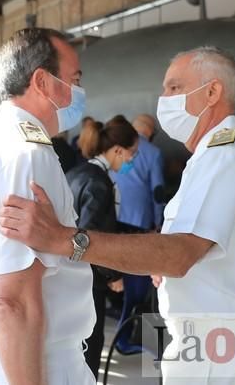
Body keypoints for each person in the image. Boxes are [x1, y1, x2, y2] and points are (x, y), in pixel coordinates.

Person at [0, 46, 235, 384]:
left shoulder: (225, 156)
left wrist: (64, 239)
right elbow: (188, 253)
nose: (164, 98)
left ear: (212, 92)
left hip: (217, 351)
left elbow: (180, 254)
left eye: (174, 88)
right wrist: (168, 265)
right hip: (211, 342)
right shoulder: (214, 156)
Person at [0, 28, 96, 385]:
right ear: (42, 82)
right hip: (36, 363)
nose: (79, 92)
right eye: (74, 80)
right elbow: (13, 302)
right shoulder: (29, 155)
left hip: (3, 359)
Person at [65, 116, 138, 378]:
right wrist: (113, 275)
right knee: (90, 348)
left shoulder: (79, 172)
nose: (131, 160)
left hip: (68, 274)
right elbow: (92, 236)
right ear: (118, 150)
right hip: (89, 278)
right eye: (132, 153)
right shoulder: (99, 182)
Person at [112, 113, 166, 231]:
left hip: (114, 213)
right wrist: (158, 222)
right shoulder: (154, 152)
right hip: (140, 217)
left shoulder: (115, 146)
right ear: (150, 131)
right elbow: (158, 192)